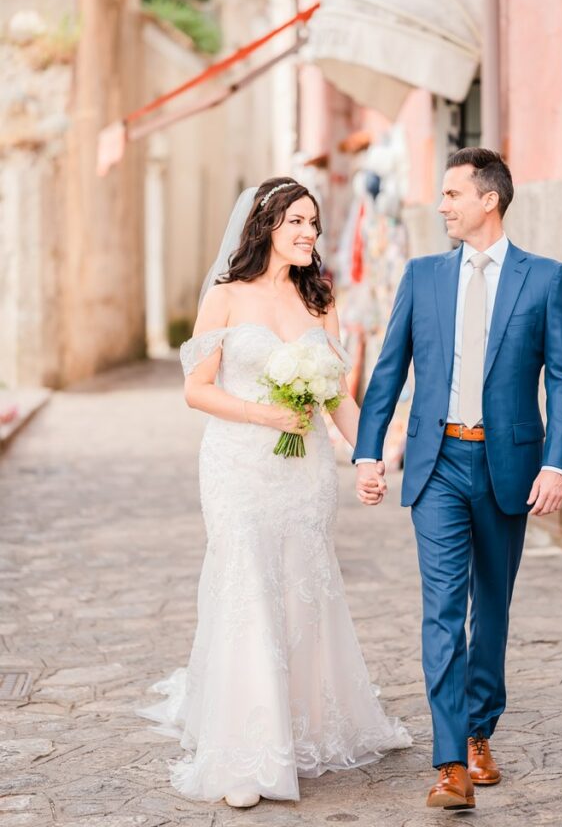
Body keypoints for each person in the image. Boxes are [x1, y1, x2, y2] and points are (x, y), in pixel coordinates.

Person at [138, 177, 410, 808]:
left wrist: (365, 455)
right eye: (296, 221)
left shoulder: (320, 302)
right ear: (265, 227)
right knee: (247, 585)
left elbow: (339, 396)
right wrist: (267, 417)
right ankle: (246, 752)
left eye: (313, 222)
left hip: (304, 474)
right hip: (237, 466)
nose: (308, 233)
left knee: (298, 588)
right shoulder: (227, 298)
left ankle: (301, 726)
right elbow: (196, 390)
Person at [354, 148, 562, 811]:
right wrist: (369, 453)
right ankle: (450, 760)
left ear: (489, 199)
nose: (441, 204)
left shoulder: (545, 279)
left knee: (493, 608)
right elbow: (388, 371)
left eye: (452, 193)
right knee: (441, 611)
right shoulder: (421, 278)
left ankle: (480, 728)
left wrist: (556, 462)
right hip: (438, 465)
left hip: (506, 464)